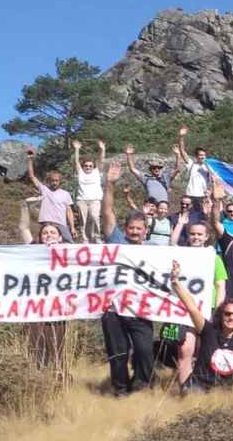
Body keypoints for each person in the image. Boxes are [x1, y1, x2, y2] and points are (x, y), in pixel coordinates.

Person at [100, 163, 154, 396]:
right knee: (118, 353)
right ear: (126, 229)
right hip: (113, 310)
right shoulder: (116, 241)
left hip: (141, 310)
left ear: (145, 230)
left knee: (144, 350)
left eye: (139, 229)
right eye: (131, 228)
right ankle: (120, 390)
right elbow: (107, 213)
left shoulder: (155, 250)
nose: (134, 232)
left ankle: (141, 385)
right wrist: (110, 184)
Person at [159, 217, 229, 388]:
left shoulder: (214, 258)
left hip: (208, 310)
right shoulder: (180, 255)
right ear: (188, 236)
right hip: (183, 311)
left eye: (200, 234)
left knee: (203, 351)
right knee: (184, 350)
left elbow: (220, 285)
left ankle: (204, 386)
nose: (196, 237)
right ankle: (185, 392)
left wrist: (217, 312)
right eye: (192, 234)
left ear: (206, 237)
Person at [171, 259, 233, 391]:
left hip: (221, 392)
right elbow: (192, 308)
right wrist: (175, 282)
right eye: (228, 314)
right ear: (221, 315)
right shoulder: (208, 330)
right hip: (198, 387)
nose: (232, 317)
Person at [18, 198, 69, 369]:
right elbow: (24, 228)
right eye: (45, 233)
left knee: (57, 349)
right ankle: (36, 382)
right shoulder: (34, 251)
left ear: (60, 237)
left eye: (53, 233)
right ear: (40, 238)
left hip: (59, 310)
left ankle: (58, 383)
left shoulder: (71, 255)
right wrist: (25, 206)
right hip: (36, 310)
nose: (48, 235)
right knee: (35, 348)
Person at [26, 148, 77, 242]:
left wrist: (72, 227)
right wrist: (30, 160)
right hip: (45, 223)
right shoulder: (44, 190)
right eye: (52, 180)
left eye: (56, 180)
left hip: (61, 224)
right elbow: (31, 176)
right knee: (38, 244)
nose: (54, 182)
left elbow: (69, 211)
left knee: (70, 243)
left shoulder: (65, 194)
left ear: (60, 182)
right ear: (49, 181)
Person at [72, 139, 105, 243]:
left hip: (95, 200)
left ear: (93, 167)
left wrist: (102, 149)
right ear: (83, 166)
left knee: (95, 218)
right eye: (86, 166)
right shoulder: (81, 173)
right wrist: (77, 149)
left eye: (90, 166)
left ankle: (97, 237)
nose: (88, 167)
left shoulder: (96, 172)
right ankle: (85, 239)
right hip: (82, 200)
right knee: (83, 220)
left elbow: (101, 160)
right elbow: (76, 161)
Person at [177, 125, 212, 209]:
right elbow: (182, 151)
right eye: (200, 155)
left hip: (203, 196)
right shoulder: (191, 164)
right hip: (190, 195)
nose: (202, 157)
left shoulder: (209, 167)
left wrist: (209, 192)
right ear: (196, 156)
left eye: (204, 155)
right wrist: (181, 137)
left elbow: (212, 181)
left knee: (202, 217)